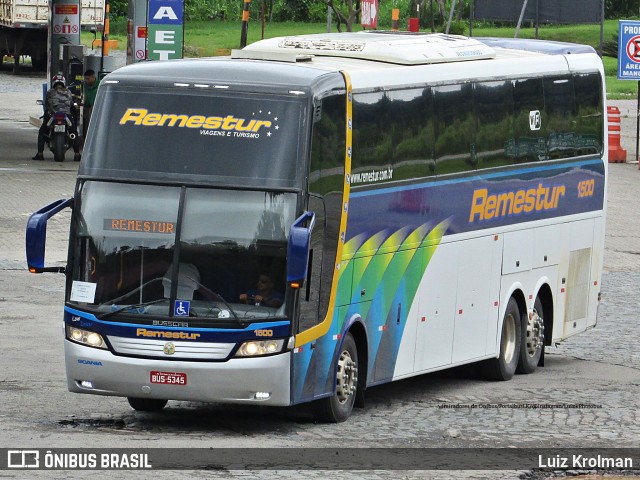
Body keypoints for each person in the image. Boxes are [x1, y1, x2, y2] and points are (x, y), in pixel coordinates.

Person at [32, 74, 81, 162]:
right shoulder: (68, 92)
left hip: (52, 115)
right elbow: (71, 104)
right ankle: (77, 154)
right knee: (74, 133)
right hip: (66, 115)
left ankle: (40, 153)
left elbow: (46, 104)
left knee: (42, 132)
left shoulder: (50, 92)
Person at [82, 69, 100, 138]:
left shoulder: (100, 85)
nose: (86, 80)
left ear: (93, 77)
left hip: (98, 109)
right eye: (85, 79)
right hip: (89, 109)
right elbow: (87, 101)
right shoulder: (86, 86)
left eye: (88, 79)